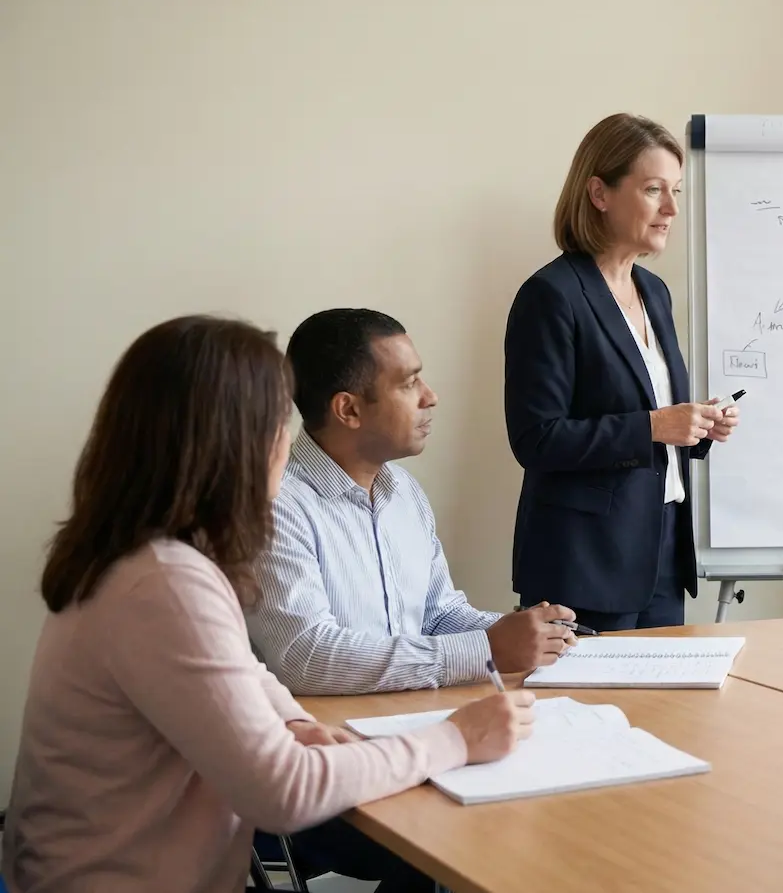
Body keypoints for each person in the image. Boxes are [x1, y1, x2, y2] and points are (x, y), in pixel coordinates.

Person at [1, 316, 531, 893]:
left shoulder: (151, 556)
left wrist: (296, 722)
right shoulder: (164, 585)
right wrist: (454, 739)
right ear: (236, 441)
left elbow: (243, 671)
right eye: (279, 421)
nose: (288, 440)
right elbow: (284, 792)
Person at [246, 308, 576, 890]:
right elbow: (303, 656)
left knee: (547, 799)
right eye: (409, 383)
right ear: (348, 409)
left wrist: (524, 632)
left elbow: (440, 613)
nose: (431, 397)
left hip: (411, 737)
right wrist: (485, 649)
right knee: (479, 836)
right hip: (325, 768)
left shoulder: (404, 492)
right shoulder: (279, 504)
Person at [504, 112, 739, 629]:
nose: (671, 208)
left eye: (676, 191)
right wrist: (655, 425)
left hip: (662, 548)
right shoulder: (551, 296)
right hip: (585, 563)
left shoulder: (654, 292)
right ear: (599, 193)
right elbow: (536, 439)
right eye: (654, 189)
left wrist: (697, 427)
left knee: (668, 686)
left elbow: (650, 422)